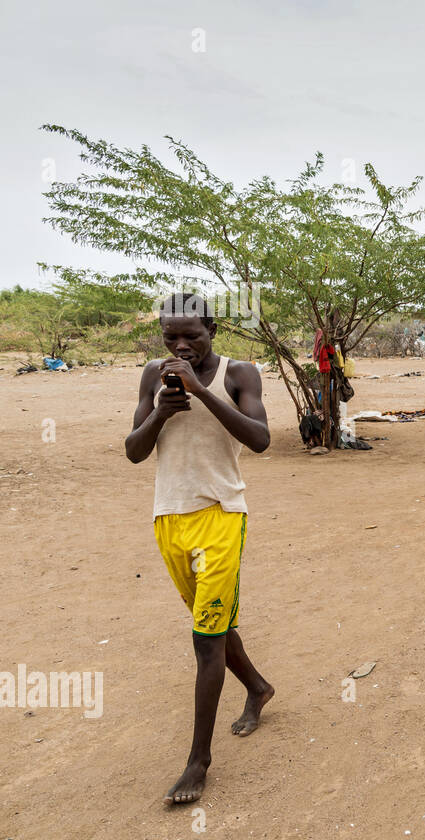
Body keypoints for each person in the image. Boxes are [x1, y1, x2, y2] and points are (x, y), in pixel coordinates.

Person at [125, 292, 274, 805]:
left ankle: (198, 761)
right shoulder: (151, 374)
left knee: (205, 639)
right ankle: (257, 686)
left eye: (193, 336)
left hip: (221, 516)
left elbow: (260, 439)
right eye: (171, 339)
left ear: (213, 328)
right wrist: (161, 413)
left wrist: (201, 392)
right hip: (169, 517)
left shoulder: (240, 374)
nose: (182, 346)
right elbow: (133, 452)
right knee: (211, 624)